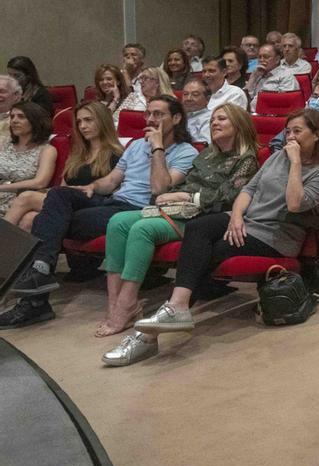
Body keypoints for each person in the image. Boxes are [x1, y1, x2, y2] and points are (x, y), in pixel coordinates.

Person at [113, 109, 319, 363]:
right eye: (288, 131)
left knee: (210, 253)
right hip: (246, 221)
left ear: (316, 135)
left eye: (298, 131)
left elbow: (295, 203)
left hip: (275, 235)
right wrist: (236, 217)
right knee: (199, 227)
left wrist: (296, 162)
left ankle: (150, 333)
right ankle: (175, 307)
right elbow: (248, 190)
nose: (290, 137)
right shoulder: (277, 158)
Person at [0, 96, 198, 329]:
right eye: (148, 114)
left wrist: (157, 148)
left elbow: (160, 188)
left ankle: (36, 298)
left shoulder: (186, 151)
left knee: (38, 220)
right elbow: (112, 180)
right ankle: (41, 269)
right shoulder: (135, 145)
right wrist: (92, 187)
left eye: (158, 115)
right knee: (58, 194)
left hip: (138, 210)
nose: (151, 120)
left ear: (176, 119)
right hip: (114, 200)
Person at [95, 103, 259, 340]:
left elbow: (229, 197)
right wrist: (169, 194)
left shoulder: (247, 160)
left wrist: (185, 196)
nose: (214, 122)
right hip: (176, 210)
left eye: (222, 119)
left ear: (239, 125)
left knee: (143, 229)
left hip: (202, 219)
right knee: (118, 222)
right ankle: (114, 304)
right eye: (213, 119)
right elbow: (186, 181)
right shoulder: (208, 153)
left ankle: (126, 304)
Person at [4, 102, 123, 231]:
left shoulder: (117, 154)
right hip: (66, 199)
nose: (83, 126)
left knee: (26, 197)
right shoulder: (78, 154)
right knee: (29, 218)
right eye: (79, 122)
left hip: (93, 202)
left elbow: (115, 189)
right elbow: (63, 186)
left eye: (88, 120)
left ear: (103, 121)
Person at [0, 103, 55, 214]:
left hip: (18, 200)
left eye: (21, 116)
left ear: (35, 121)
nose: (14, 121)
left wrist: (1, 188)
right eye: (12, 116)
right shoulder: (5, 143)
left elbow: (40, 182)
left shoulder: (47, 150)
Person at [267, 80, 319, 151]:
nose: (316, 101)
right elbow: (276, 142)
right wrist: (283, 159)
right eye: (315, 96)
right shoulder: (301, 117)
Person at [247, 43, 299, 113]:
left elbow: (285, 103)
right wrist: (253, 78)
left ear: (277, 59)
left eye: (266, 57)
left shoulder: (286, 76)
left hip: (272, 115)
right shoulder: (257, 74)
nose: (261, 60)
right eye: (259, 57)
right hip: (250, 114)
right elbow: (245, 98)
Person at [180, 78, 212, 144]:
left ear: (207, 99)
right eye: (185, 94)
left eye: (195, 95)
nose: (188, 99)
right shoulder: (177, 116)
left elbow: (204, 146)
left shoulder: (210, 118)